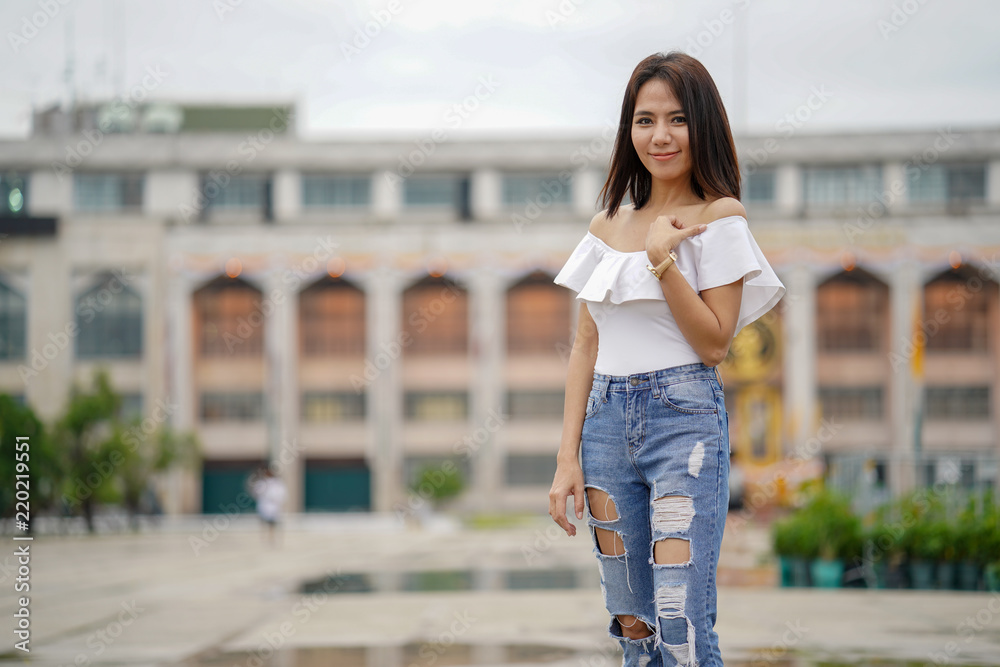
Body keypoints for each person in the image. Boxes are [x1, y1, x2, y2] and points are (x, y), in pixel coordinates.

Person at [548, 51, 785, 667]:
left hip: (684, 423)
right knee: (632, 626)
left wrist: (662, 261)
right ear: (628, 130)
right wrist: (566, 457)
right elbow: (585, 344)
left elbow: (713, 343)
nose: (660, 136)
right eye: (645, 119)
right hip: (602, 426)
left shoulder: (718, 218)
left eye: (677, 119)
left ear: (701, 126)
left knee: (680, 623)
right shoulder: (605, 226)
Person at [247, 465, 286, 547]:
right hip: (264, 506)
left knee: (272, 524)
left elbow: (281, 494)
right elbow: (256, 493)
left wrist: (276, 499)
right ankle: (264, 539)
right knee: (264, 524)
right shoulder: (262, 483)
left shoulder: (277, 483)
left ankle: (272, 539)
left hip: (274, 507)